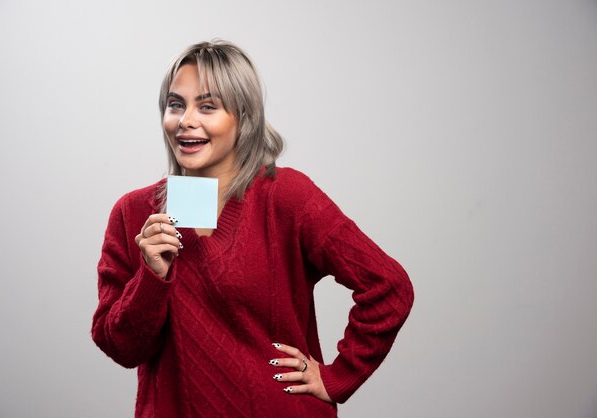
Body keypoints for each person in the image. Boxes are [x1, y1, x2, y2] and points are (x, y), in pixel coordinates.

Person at [91, 40, 414, 417]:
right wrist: (151, 277)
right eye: (175, 104)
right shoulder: (132, 214)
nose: (185, 120)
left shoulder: (287, 197)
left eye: (207, 106)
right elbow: (120, 347)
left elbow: (389, 285)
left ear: (243, 118)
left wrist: (338, 375)